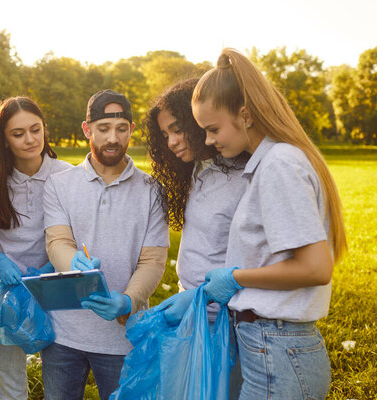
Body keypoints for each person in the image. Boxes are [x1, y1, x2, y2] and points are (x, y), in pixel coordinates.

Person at [191, 48, 346, 400]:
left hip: (278, 348)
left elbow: (315, 268)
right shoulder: (271, 162)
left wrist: (235, 278)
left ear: (245, 114)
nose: (208, 141)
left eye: (213, 129)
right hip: (268, 346)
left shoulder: (279, 164)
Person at [42, 89, 170, 400]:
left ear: (131, 130)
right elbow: (57, 241)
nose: (113, 138)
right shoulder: (60, 185)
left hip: (124, 337)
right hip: (64, 335)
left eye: (121, 129)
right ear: (87, 130)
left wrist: (128, 301)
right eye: (103, 129)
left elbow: (152, 261)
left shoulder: (153, 191)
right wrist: (73, 263)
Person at [0, 96, 72, 400]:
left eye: (36, 129)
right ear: (4, 139)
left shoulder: (68, 175)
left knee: (58, 371)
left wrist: (50, 268)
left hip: (54, 282)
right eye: (18, 134)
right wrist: (1, 261)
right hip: (6, 285)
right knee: (9, 376)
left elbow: (77, 234)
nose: (30, 140)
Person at [144, 78, 248, 325]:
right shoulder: (195, 168)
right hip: (189, 308)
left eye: (178, 129)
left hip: (224, 316)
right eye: (165, 135)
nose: (171, 142)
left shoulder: (244, 176)